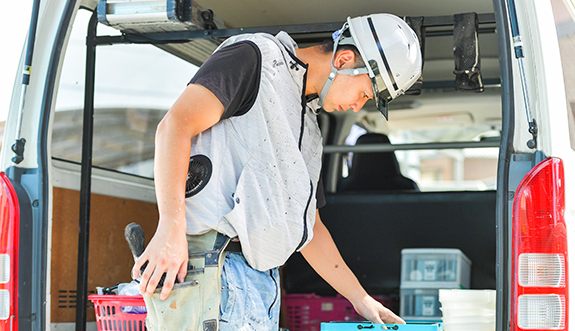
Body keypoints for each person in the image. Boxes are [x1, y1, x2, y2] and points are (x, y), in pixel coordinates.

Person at [132, 13, 422, 331]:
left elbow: (309, 227)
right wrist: (170, 231)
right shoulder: (255, 57)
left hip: (260, 285)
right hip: (214, 270)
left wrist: (361, 299)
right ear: (344, 58)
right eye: (364, 94)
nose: (357, 107)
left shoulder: (310, 131)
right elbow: (174, 128)